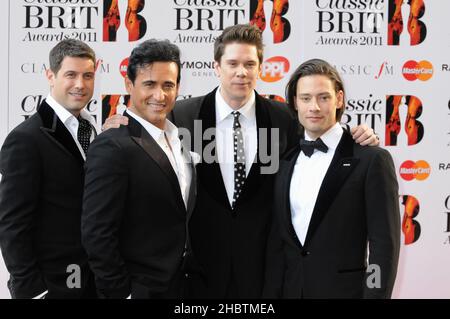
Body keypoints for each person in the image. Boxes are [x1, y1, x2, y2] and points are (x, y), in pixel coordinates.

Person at [104, 24, 379, 299]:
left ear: (260, 67)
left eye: (249, 64)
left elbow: (321, 142)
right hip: (198, 274)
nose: (241, 72)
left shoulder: (285, 118)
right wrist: (122, 127)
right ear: (216, 67)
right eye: (232, 63)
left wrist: (354, 135)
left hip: (264, 274)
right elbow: (143, 146)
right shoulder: (182, 116)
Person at [264, 59, 400, 298]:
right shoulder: (285, 162)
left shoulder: (371, 160)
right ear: (295, 103)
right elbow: (279, 245)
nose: (314, 107)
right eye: (305, 98)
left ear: (339, 99)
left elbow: (383, 248)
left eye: (323, 97)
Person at [81, 39, 197, 299]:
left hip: (183, 286)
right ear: (129, 85)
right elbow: (97, 233)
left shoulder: (178, 138)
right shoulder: (112, 145)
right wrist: (122, 293)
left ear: (178, 87)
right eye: (149, 84)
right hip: (139, 290)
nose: (160, 95)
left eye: (168, 85)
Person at [0, 39, 98, 298]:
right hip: (53, 286)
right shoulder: (26, 139)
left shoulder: (90, 129)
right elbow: (12, 223)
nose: (81, 84)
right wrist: (33, 290)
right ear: (50, 76)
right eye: (71, 75)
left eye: (88, 75)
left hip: (92, 281)